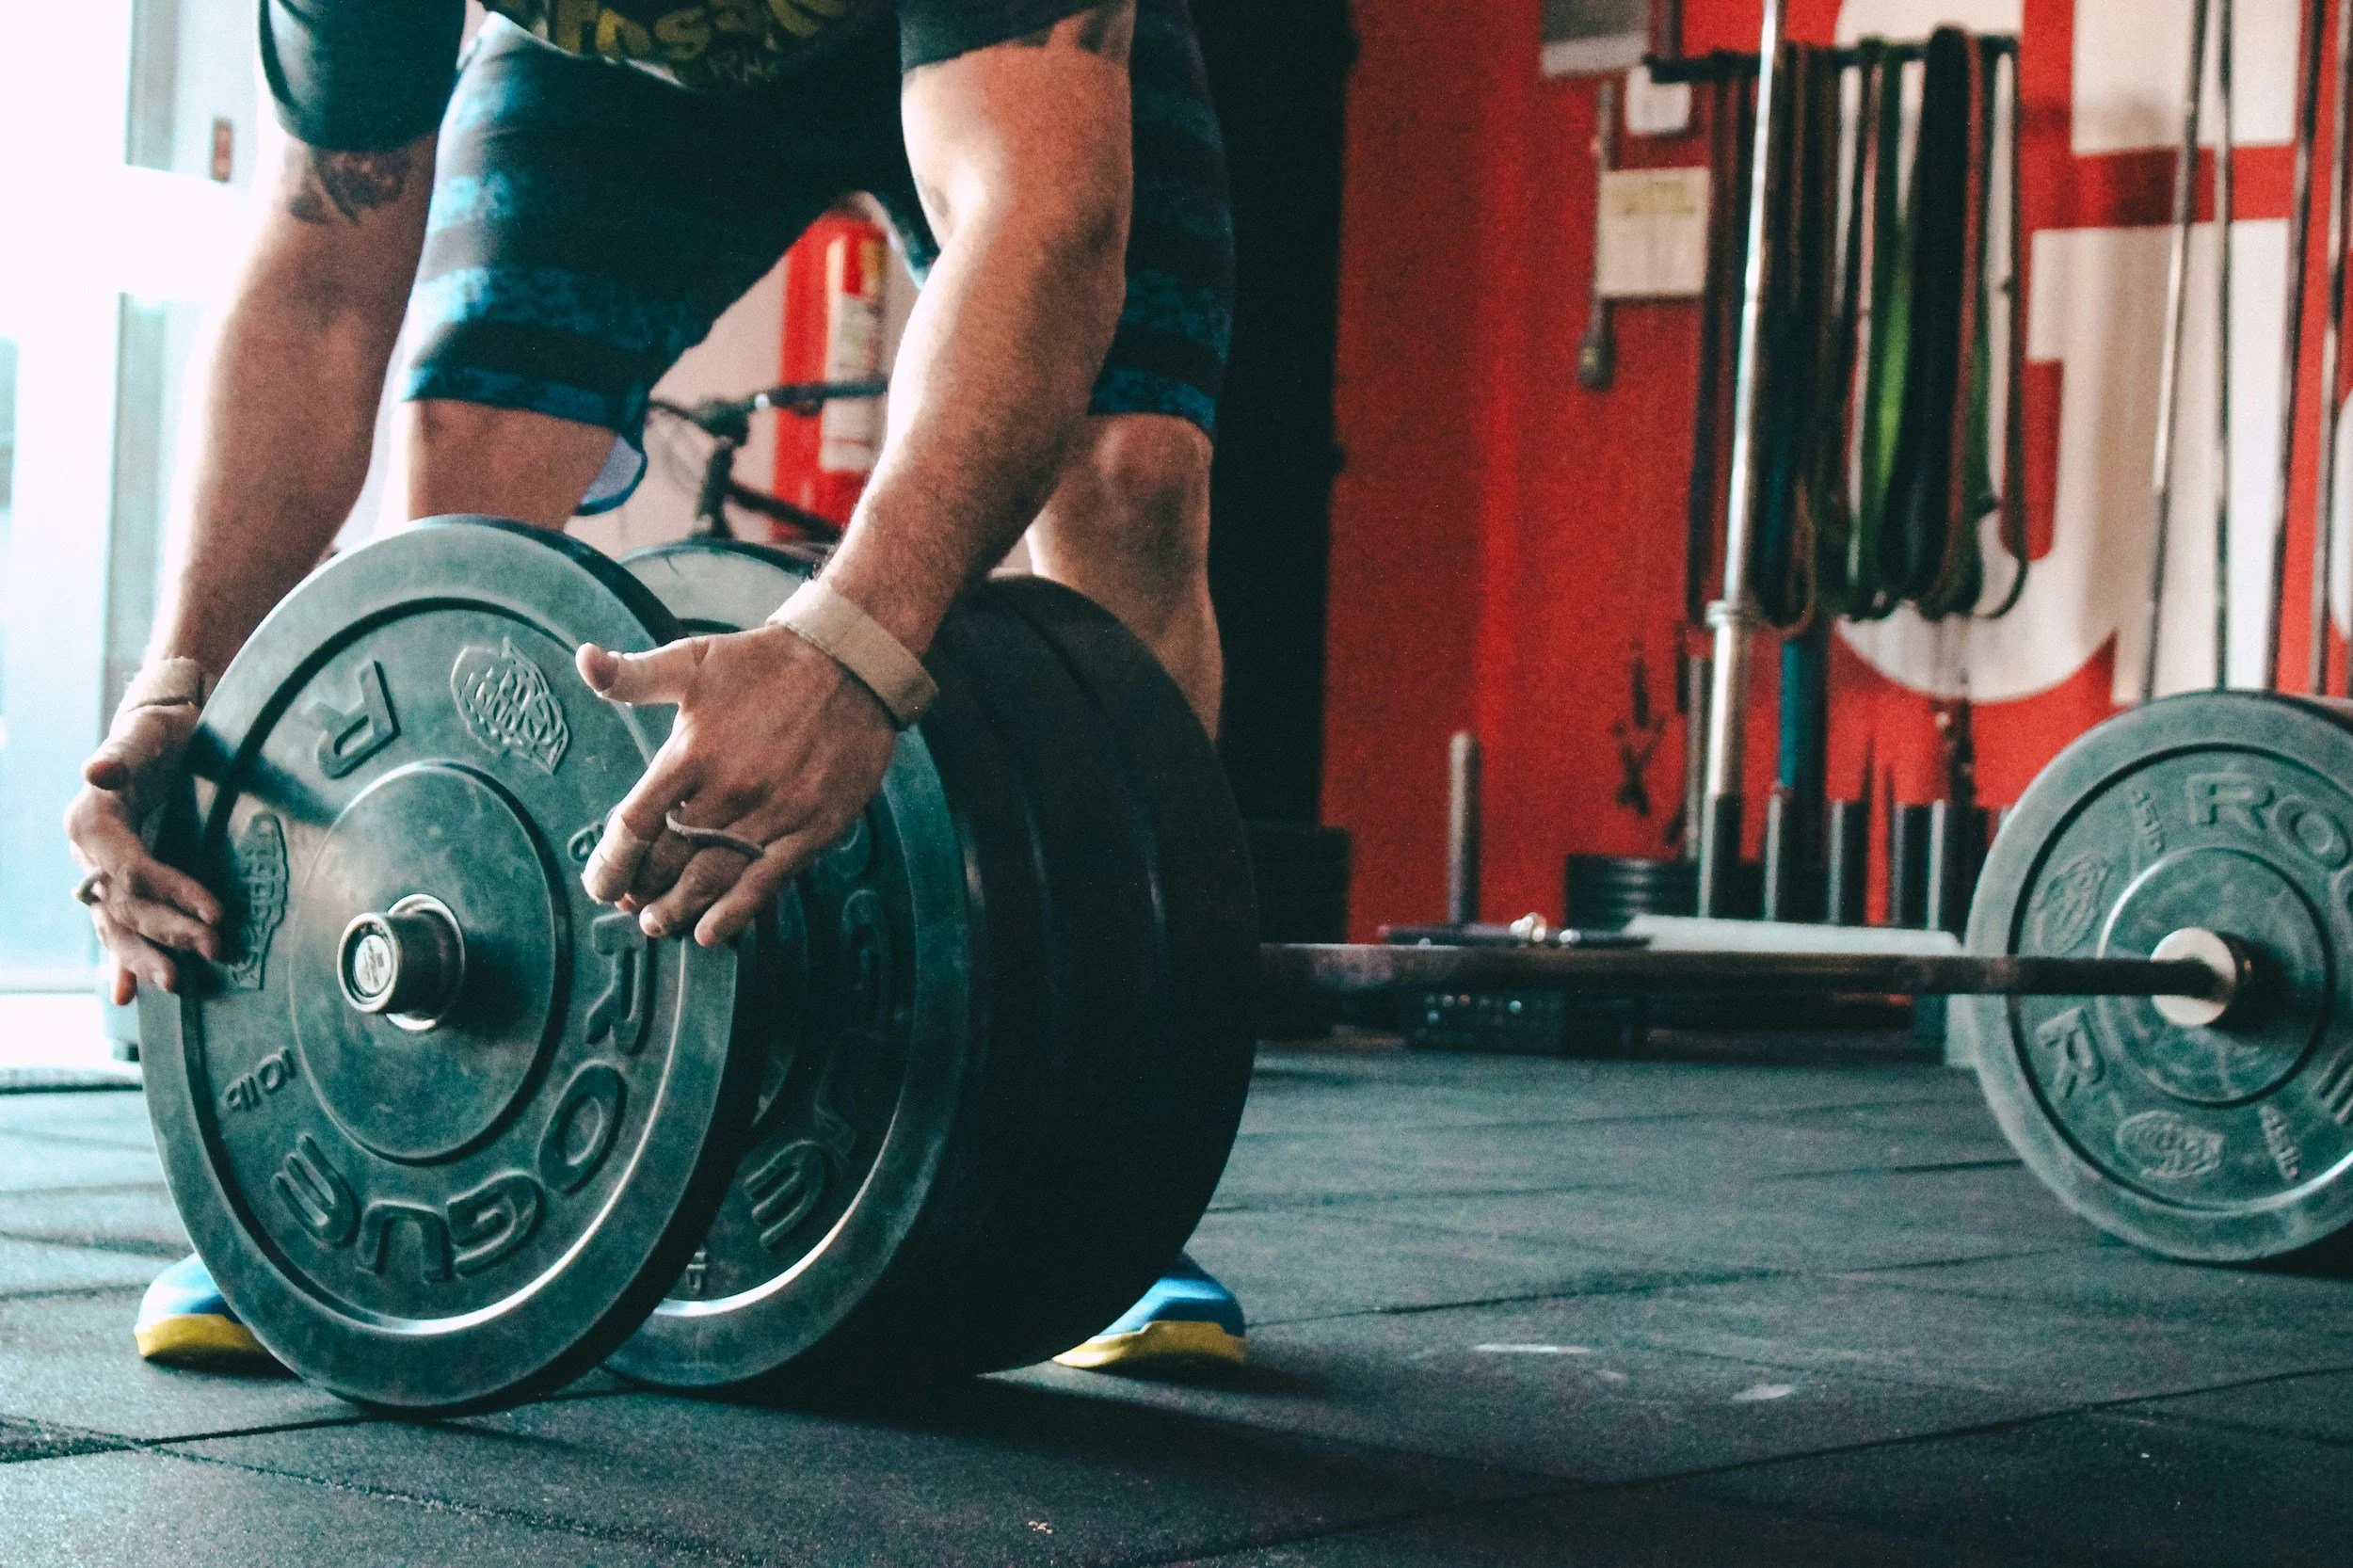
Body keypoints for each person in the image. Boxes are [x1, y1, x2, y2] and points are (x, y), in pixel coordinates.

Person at [74, 0, 1244, 1378]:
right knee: (470, 444)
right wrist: (182, 690)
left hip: (1003, 62)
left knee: (1129, 476)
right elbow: (324, 276)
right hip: (621, 82)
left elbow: (1040, 228)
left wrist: (853, 655)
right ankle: (383, 1146)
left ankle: (1100, 1188)